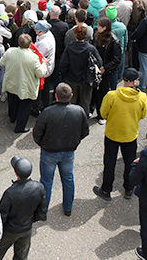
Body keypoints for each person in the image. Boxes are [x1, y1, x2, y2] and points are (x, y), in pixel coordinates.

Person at [32, 82, 88, 216]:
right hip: (68, 151)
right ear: (71, 95)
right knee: (68, 179)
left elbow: (37, 133)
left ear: (55, 96)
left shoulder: (47, 112)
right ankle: (68, 208)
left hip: (49, 152)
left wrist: (43, 144)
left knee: (46, 182)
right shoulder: (79, 111)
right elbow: (84, 131)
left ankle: (43, 211)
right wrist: (75, 142)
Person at [93, 68, 147, 201]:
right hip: (130, 135)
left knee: (109, 162)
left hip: (112, 134)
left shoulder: (112, 95)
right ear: (134, 82)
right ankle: (129, 189)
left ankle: (106, 190)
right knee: (130, 163)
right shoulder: (142, 97)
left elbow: (103, 112)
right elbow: (142, 114)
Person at [0, 156, 47, 260]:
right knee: (21, 256)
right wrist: (30, 220)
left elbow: (1, 217)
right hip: (26, 229)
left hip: (9, 231)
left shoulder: (10, 193)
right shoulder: (39, 187)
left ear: (16, 173)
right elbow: (42, 211)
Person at [0, 34, 48, 133]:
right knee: (25, 107)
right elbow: (40, 73)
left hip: (12, 83)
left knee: (12, 101)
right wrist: (44, 64)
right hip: (26, 86)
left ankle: (12, 118)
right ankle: (20, 127)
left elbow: (2, 62)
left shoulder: (10, 51)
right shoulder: (33, 57)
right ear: (30, 44)